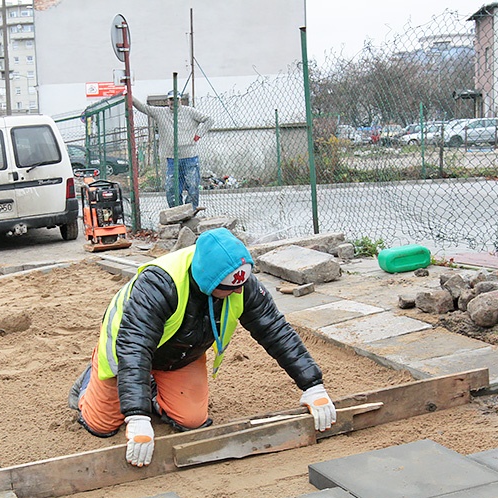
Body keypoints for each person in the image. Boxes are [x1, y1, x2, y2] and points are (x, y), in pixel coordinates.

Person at [67, 227, 336, 467]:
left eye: (242, 285)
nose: (240, 293)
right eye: (230, 288)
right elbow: (135, 348)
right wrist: (137, 416)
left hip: (180, 354)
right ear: (208, 281)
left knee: (191, 421)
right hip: (126, 352)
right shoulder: (159, 285)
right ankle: (90, 382)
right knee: (101, 425)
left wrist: (312, 385)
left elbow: (275, 330)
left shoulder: (239, 281)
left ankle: (152, 390)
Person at [133, 91, 213, 209]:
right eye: (171, 100)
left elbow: (209, 120)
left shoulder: (189, 111)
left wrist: (198, 135)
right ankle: (177, 211)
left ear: (180, 101)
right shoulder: (161, 113)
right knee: (171, 188)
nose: (173, 102)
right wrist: (130, 96)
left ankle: (190, 209)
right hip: (171, 158)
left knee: (193, 186)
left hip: (189, 156)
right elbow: (144, 108)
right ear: (167, 101)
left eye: (176, 100)